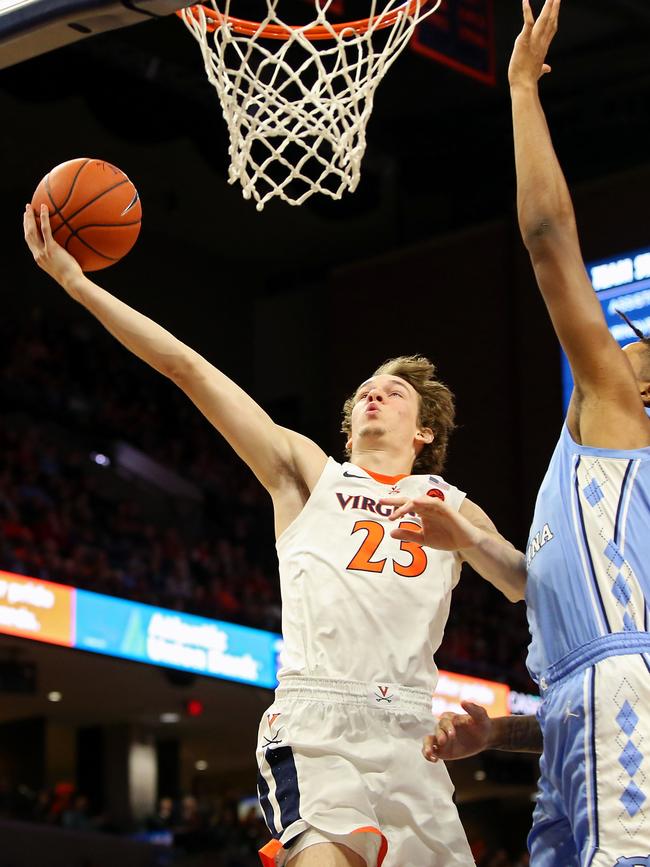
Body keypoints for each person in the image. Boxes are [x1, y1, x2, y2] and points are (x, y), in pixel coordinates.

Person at [23, 203, 525, 867]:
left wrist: (467, 533)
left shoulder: (453, 505)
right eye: (365, 392)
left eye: (394, 393)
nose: (375, 395)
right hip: (319, 721)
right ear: (347, 431)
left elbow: (527, 586)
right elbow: (188, 369)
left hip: (412, 736)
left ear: (425, 431)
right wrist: (77, 283)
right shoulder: (308, 473)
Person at [420, 1, 650, 865]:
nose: (615, 345)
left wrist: (520, 88)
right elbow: (542, 606)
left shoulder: (617, 415)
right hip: (574, 717)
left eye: (634, 349)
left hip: (616, 697)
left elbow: (549, 238)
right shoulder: (586, 484)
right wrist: (496, 737)